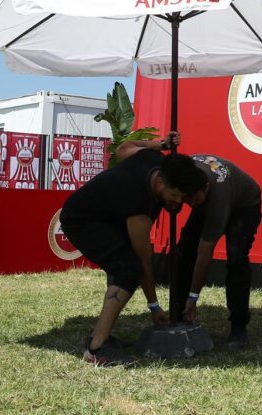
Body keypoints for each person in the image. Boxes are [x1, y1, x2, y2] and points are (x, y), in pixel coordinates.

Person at [59, 131, 181, 367]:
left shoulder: (151, 158)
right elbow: (144, 261)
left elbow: (123, 148)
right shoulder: (140, 207)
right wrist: (154, 307)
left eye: (182, 198)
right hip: (82, 219)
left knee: (123, 264)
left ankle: (101, 336)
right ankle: (97, 348)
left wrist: (160, 144)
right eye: (174, 195)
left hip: (103, 216)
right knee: (128, 268)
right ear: (160, 183)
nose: (177, 202)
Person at [168, 154, 262, 350]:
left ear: (206, 188)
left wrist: (193, 297)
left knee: (237, 258)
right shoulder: (187, 174)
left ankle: (239, 326)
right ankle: (178, 314)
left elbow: (205, 254)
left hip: (244, 205)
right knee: (184, 250)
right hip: (210, 198)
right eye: (185, 198)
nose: (188, 203)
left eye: (190, 199)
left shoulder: (217, 200)